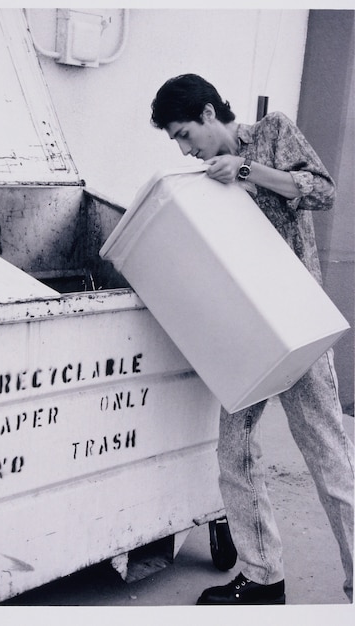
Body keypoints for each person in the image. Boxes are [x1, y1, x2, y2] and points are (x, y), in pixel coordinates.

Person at [150, 73, 354, 605]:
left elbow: (324, 190)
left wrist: (245, 170)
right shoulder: (198, 179)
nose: (183, 148)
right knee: (233, 454)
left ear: (209, 114)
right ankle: (264, 576)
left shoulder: (272, 133)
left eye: (183, 134)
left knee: (329, 458)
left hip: (297, 324)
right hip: (246, 335)